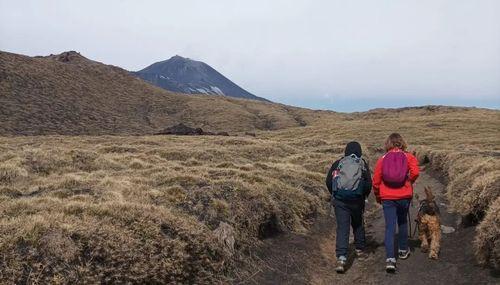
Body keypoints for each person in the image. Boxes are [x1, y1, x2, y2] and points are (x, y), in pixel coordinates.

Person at [372, 133, 419, 273]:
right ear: (402, 142)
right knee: (403, 221)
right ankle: (403, 250)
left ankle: (390, 259)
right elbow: (416, 172)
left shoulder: (382, 159)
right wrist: (409, 181)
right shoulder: (409, 156)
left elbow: (376, 181)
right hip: (404, 195)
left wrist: (378, 196)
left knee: (389, 227)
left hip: (387, 197)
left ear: (388, 143)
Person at [326, 141, 372, 273]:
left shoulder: (338, 163)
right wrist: (363, 196)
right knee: (358, 224)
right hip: (357, 201)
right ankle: (360, 249)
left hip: (340, 201)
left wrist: (335, 194)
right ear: (359, 151)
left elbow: (329, 181)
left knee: (342, 227)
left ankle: (341, 258)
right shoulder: (362, 163)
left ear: (346, 151)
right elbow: (368, 183)